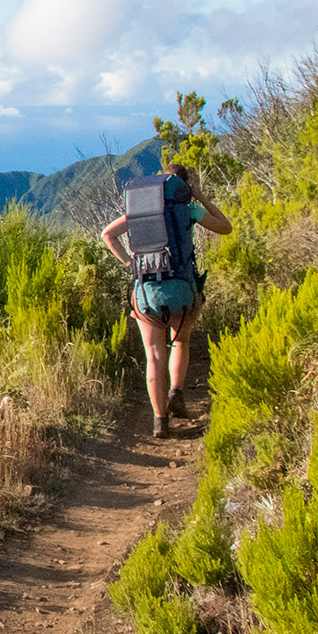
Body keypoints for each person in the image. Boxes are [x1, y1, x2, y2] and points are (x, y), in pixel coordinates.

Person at [100, 163, 232, 437]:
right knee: (180, 340)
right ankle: (177, 392)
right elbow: (225, 228)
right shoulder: (188, 209)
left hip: (147, 292)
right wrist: (201, 197)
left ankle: (160, 421)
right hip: (183, 291)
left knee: (153, 357)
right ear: (183, 189)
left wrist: (129, 263)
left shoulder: (140, 212)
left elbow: (107, 235)